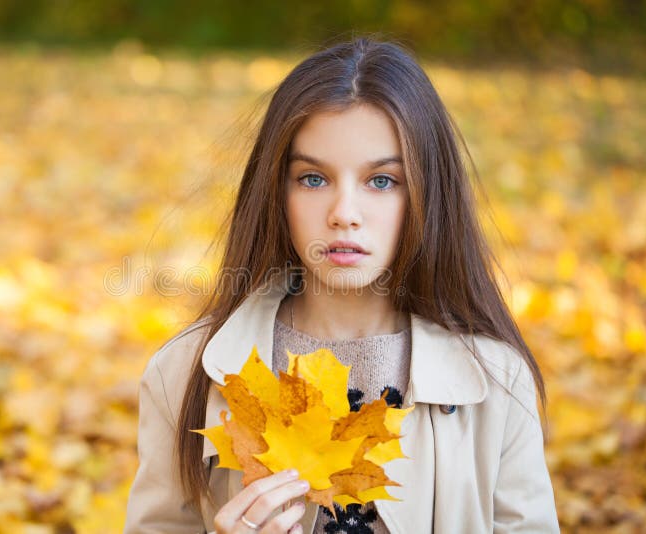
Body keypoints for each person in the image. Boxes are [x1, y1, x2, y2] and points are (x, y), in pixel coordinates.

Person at [123, 36, 560, 534]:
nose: (344, 215)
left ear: (426, 192)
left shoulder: (496, 381)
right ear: (275, 190)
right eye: (313, 179)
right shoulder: (182, 375)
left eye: (381, 181)